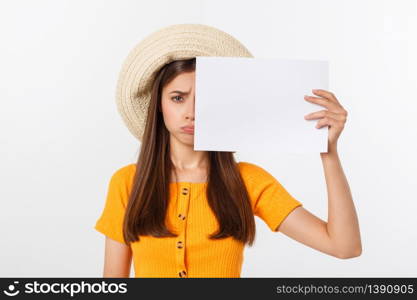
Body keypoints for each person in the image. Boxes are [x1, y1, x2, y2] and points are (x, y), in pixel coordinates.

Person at [94, 24, 362, 278]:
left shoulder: (248, 181)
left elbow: (344, 246)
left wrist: (328, 152)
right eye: (178, 98)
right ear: (160, 105)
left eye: (204, 100)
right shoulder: (128, 183)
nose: (191, 113)